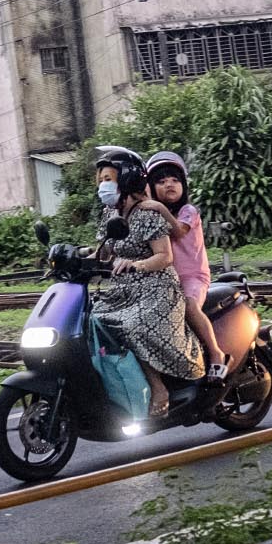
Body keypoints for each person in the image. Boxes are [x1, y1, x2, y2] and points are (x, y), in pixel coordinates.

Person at [91, 147, 204, 417]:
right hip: (126, 288)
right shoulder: (110, 215)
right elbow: (104, 252)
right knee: (95, 319)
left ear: (127, 179)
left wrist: (136, 264)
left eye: (110, 179)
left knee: (133, 325)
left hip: (158, 287)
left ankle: (159, 388)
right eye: (102, 180)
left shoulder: (149, 214)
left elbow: (165, 257)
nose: (104, 186)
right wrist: (76, 255)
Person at [144, 153, 226, 382]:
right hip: (167, 279)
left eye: (174, 180)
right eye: (160, 181)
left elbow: (179, 230)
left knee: (189, 306)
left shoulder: (188, 211)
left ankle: (216, 353)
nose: (169, 184)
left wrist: (159, 208)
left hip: (193, 277)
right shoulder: (149, 216)